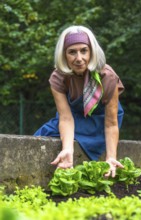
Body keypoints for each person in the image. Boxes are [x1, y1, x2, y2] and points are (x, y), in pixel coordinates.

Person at [34, 25, 125, 177]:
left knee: (91, 142)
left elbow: (111, 123)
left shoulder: (107, 77)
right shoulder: (58, 77)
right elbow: (65, 118)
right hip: (74, 116)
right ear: (64, 55)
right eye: (72, 52)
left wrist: (111, 157)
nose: (79, 58)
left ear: (91, 51)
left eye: (84, 50)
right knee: (41, 136)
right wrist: (68, 149)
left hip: (100, 119)